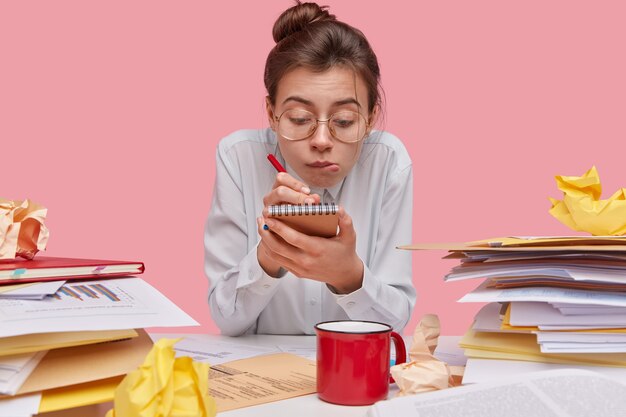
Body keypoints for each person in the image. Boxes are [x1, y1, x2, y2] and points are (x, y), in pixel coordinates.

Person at [204, 1, 415, 336]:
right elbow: (226, 319)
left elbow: (394, 323)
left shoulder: (389, 162)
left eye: (344, 121)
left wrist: (348, 275)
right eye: (299, 119)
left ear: (371, 117)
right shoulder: (238, 156)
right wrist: (269, 255)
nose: (320, 140)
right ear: (272, 114)